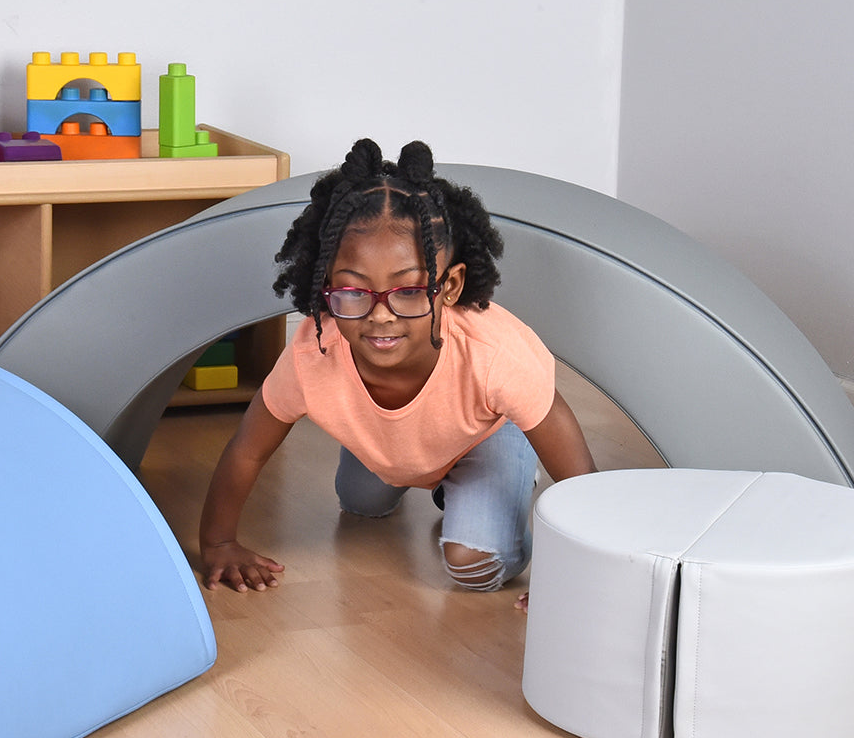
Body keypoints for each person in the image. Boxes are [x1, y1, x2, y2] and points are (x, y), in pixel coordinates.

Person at [198, 138, 596, 608]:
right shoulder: (314, 351)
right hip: (391, 443)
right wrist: (219, 543)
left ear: (448, 287)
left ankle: (504, 476)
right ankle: (428, 476)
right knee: (359, 502)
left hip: (486, 434)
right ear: (324, 288)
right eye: (353, 291)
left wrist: (579, 573)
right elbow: (247, 449)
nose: (380, 316)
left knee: (472, 563)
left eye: (408, 291)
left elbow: (579, 477)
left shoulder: (494, 355)